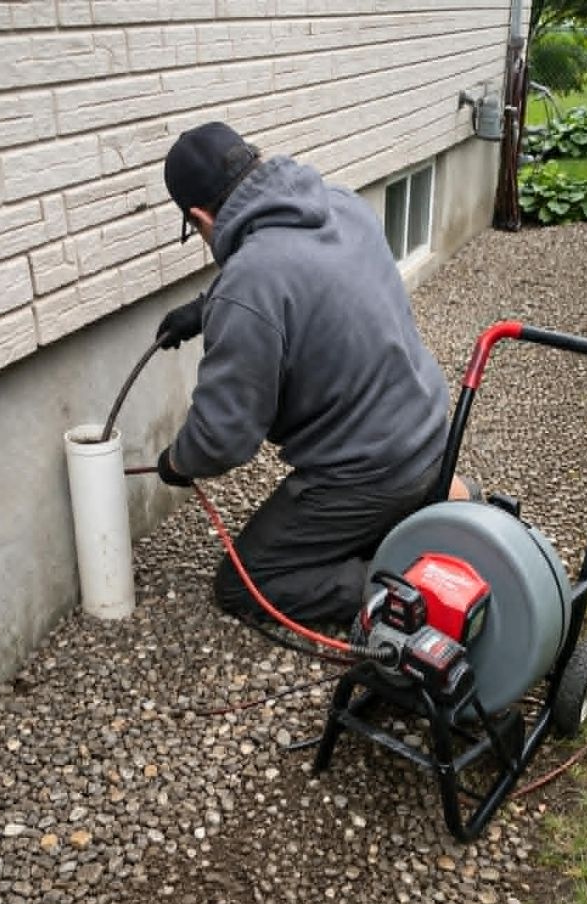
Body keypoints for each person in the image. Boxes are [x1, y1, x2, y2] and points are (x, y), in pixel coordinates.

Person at [150, 122, 458, 625]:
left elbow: (223, 439)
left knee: (246, 585)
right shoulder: (343, 205)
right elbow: (303, 281)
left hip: (370, 473)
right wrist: (208, 307)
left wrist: (177, 463)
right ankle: (439, 509)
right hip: (429, 435)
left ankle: (416, 595)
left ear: (199, 217)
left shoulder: (249, 284)